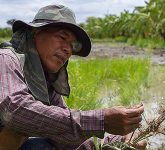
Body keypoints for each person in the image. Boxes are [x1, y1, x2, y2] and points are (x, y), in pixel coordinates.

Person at [0, 5, 146, 150]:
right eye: (62, 37)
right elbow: (15, 110)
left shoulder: (47, 81)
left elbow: (64, 134)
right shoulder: (7, 59)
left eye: (73, 45)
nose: (68, 49)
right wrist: (100, 120)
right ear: (35, 32)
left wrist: (115, 141)